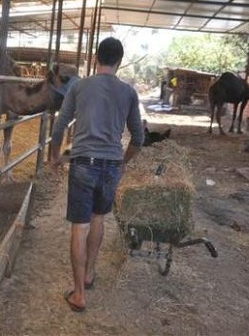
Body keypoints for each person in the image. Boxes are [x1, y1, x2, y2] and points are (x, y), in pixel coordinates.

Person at [49, 37, 144, 312]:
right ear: (120, 61)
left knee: (80, 226)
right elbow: (138, 137)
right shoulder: (128, 92)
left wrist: (55, 158)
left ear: (95, 58)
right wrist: (123, 162)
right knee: (98, 218)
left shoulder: (79, 86)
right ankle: (89, 273)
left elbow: (59, 128)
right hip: (111, 165)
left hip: (83, 163)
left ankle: (79, 293)